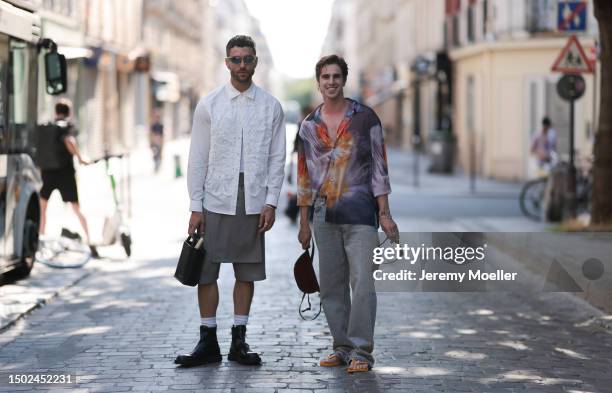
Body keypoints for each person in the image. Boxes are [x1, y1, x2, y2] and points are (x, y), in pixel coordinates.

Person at [176, 35, 286, 367]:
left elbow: (277, 159)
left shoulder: (271, 107)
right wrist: (196, 204)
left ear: (256, 62)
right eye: (235, 59)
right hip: (215, 197)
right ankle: (207, 341)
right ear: (226, 63)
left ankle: (239, 340)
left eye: (247, 59)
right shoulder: (209, 104)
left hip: (252, 200)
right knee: (206, 273)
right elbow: (197, 158)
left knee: (247, 272)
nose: (241, 65)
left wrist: (271, 201)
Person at [296, 55, 399, 373]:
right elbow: (303, 177)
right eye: (325, 77)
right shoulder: (309, 126)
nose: (331, 82)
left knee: (363, 283)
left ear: (344, 79)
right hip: (323, 216)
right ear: (318, 81)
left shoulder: (365, 118)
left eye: (336, 76)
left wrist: (385, 213)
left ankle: (362, 352)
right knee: (330, 285)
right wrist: (304, 222)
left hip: (360, 214)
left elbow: (379, 168)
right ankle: (341, 347)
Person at [39, 101, 97, 257]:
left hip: (48, 173)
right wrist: (80, 158)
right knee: (77, 208)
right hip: (65, 173)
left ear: (56, 112)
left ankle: (39, 240)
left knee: (42, 208)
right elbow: (69, 141)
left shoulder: (48, 127)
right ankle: (89, 240)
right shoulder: (67, 127)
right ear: (69, 112)